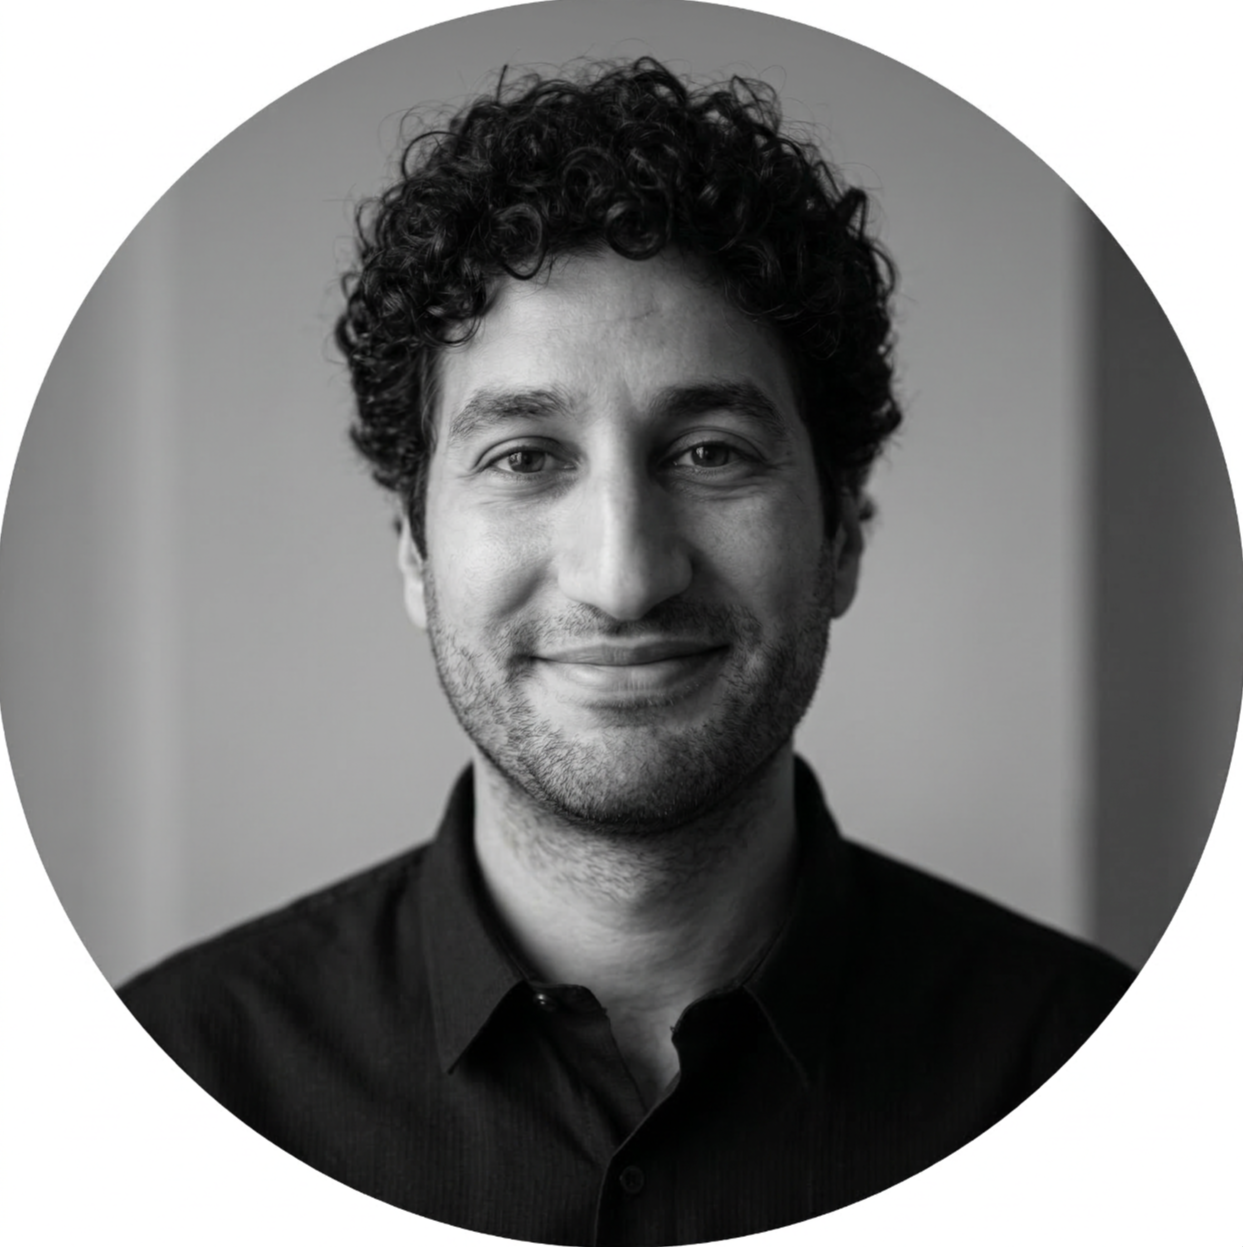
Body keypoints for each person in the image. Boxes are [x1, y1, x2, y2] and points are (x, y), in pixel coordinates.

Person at [120, 57, 1134, 1244]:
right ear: (414, 552)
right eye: (524, 456)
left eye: (709, 451)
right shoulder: (175, 1081)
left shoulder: (1099, 1075)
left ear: (840, 537)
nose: (624, 575)